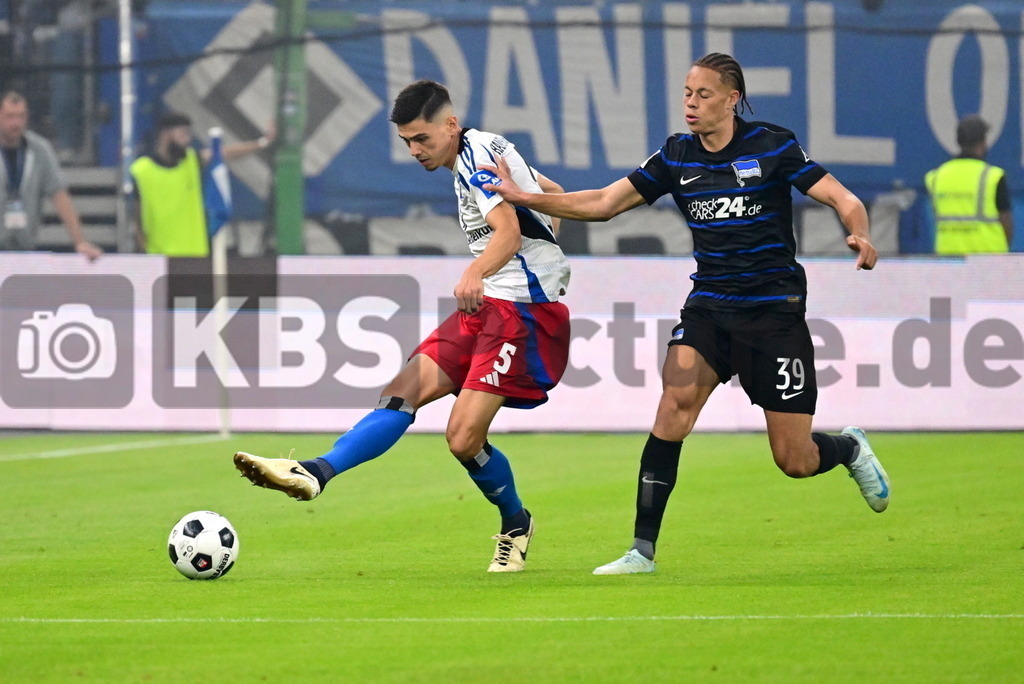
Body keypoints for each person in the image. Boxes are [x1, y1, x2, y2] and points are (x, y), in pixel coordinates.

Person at [482, 52, 891, 575]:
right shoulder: (676, 156)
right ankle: (641, 551)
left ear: (731, 98)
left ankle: (848, 448)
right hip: (710, 309)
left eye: (702, 95)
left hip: (774, 316)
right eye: (686, 94)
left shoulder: (773, 144)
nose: (691, 104)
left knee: (795, 460)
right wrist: (521, 196)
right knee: (673, 406)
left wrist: (859, 231)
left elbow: (841, 196)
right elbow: (605, 202)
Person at [233, 80, 571, 573]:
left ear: (450, 125)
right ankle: (315, 472)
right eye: (407, 142)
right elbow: (553, 195)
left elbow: (509, 232)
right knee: (401, 391)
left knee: (462, 440)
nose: (415, 150)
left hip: (522, 315)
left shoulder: (477, 159)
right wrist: (544, 255)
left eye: (422, 139)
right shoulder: (483, 148)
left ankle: (515, 522)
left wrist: (493, 271)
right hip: (491, 306)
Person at [130, 112, 274, 257]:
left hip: (194, 254)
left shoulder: (191, 162)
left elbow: (225, 153)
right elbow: (136, 214)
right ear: (166, 134)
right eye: (183, 133)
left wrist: (262, 142)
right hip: (158, 256)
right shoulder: (141, 170)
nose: (188, 139)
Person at [0, 91, 101, 260]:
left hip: (25, 246)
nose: (15, 123)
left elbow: (60, 196)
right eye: (9, 117)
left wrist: (79, 241)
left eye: (20, 116)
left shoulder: (40, 149)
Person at [925, 114, 1013, 254]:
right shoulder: (993, 177)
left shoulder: (936, 177)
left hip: (948, 258)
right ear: (983, 142)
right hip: (988, 258)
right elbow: (1006, 224)